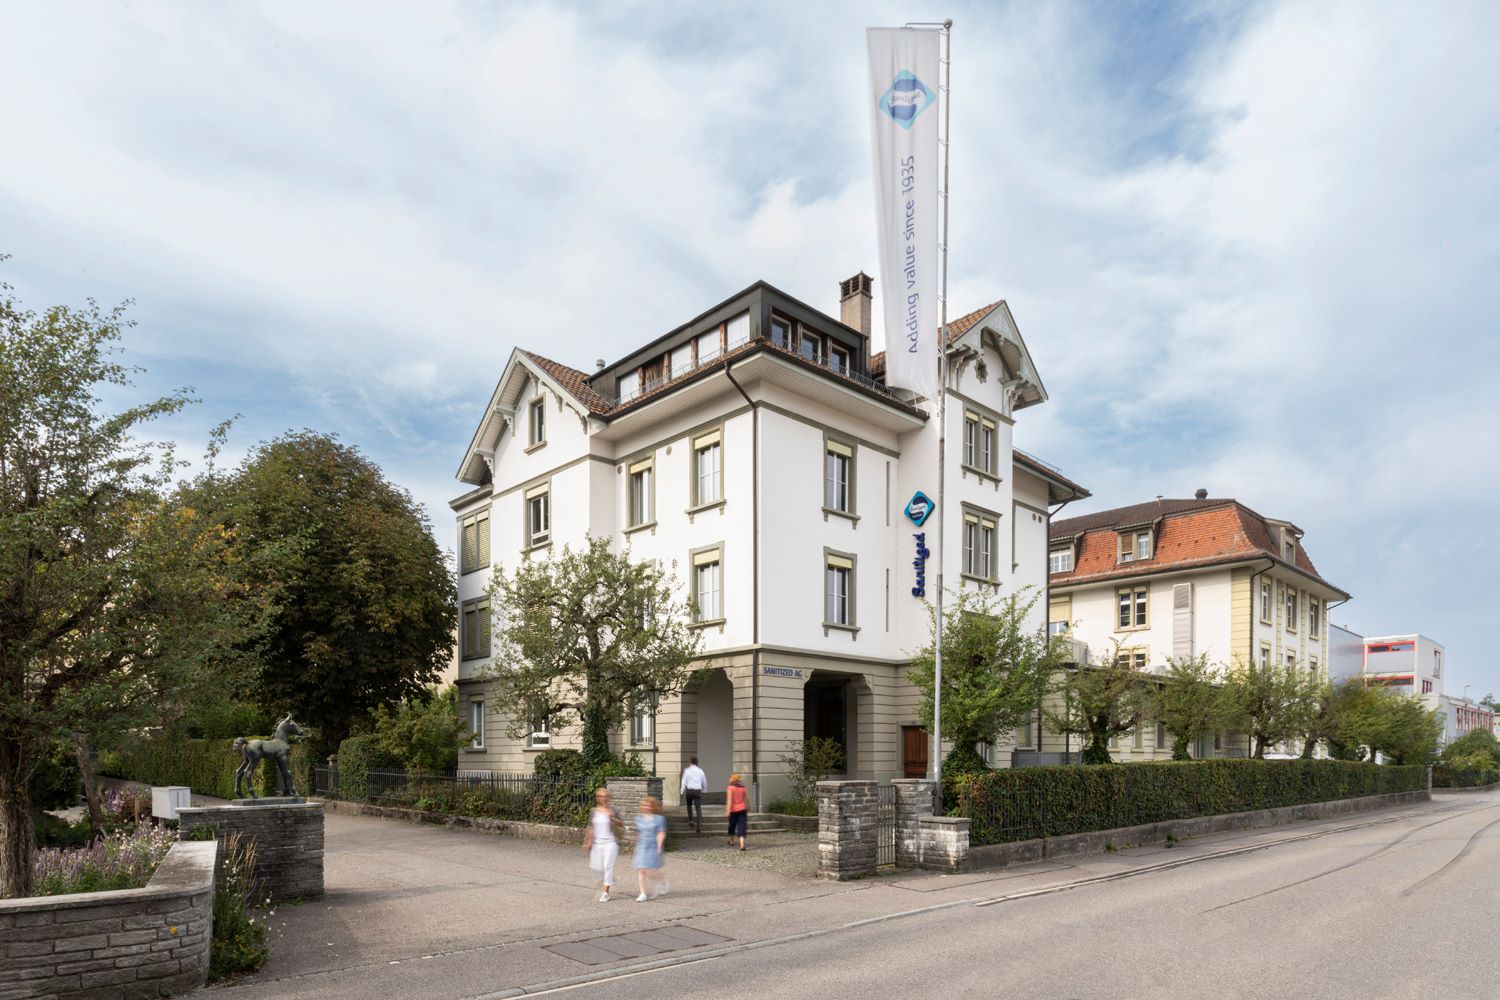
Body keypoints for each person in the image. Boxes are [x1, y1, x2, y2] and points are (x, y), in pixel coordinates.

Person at [582, 787, 623, 902]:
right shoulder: (594, 811)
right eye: (600, 796)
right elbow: (590, 827)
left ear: (608, 797)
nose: (603, 798)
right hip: (597, 844)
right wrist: (587, 841)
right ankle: (609, 879)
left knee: (607, 866)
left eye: (605, 796)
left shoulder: (614, 810)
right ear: (597, 798)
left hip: (611, 843)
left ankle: (605, 893)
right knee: (596, 868)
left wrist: (613, 818)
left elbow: (621, 824)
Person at [633, 796, 668, 902]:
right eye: (644, 805)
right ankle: (643, 893)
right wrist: (635, 845)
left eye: (648, 805)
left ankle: (662, 881)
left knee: (652, 870)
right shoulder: (638, 819)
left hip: (653, 846)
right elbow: (638, 833)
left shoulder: (659, 819)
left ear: (652, 807)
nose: (646, 807)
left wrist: (659, 846)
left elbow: (661, 833)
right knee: (642, 870)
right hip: (641, 847)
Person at [680, 757, 707, 833]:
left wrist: (682, 792)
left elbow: (684, 782)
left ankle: (691, 820)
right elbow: (704, 781)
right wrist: (704, 790)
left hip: (689, 791)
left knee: (689, 805)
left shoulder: (687, 770)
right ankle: (699, 826)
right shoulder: (700, 771)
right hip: (697, 791)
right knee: (698, 808)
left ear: (690, 762)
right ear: (697, 762)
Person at [725, 773, 749, 851]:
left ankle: (731, 841)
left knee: (732, 825)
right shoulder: (743, 788)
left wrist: (728, 810)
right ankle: (742, 844)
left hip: (733, 810)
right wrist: (748, 807)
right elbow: (746, 799)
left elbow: (729, 800)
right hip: (742, 809)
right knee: (742, 826)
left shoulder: (730, 788)